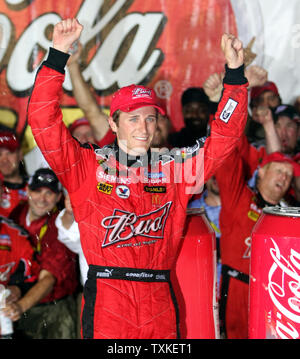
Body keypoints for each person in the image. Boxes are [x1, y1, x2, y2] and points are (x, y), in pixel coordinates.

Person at [27, 18, 248, 339]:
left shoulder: (176, 169)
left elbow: (225, 137)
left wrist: (236, 77)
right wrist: (58, 55)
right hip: (108, 299)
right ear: (113, 125)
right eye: (133, 119)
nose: (143, 127)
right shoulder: (88, 165)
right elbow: (43, 122)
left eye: (150, 118)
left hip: (158, 295)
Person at [215, 149, 300, 339]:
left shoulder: (290, 214)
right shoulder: (239, 196)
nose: (284, 178)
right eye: (279, 170)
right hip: (237, 288)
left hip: (274, 296)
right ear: (261, 171)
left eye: (288, 175)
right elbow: (228, 159)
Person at [9, 168, 78, 339]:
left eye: (49, 193)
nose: (42, 198)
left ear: (59, 197)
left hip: (54, 311)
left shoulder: (59, 225)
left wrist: (18, 308)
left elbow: (48, 279)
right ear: (27, 191)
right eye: (37, 191)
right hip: (20, 305)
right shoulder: (17, 213)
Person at [67, 42, 115, 147]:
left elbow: (90, 110)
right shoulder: (63, 160)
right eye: (78, 135)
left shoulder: (109, 154)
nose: (84, 139)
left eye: (89, 134)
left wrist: (72, 65)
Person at [0, 131, 28, 217]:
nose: (4, 160)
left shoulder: (37, 188)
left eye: (9, 153)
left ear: (20, 154)